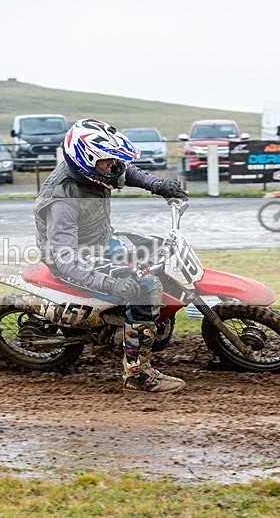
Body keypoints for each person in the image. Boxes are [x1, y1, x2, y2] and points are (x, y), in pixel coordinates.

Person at [34, 118, 188, 393]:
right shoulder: (63, 200)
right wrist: (112, 284)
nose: (113, 165)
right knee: (146, 288)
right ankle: (137, 374)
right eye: (107, 161)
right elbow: (67, 261)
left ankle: (129, 320)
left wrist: (158, 185)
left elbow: (126, 172)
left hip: (102, 241)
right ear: (87, 160)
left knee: (160, 248)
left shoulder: (93, 171)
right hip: (77, 259)